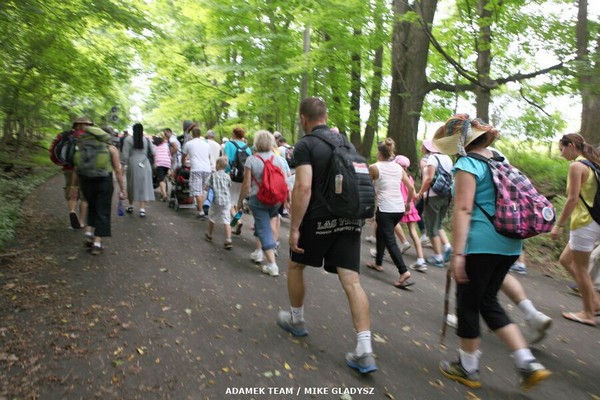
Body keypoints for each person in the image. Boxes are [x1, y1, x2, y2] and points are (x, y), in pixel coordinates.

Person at [434, 114, 550, 390]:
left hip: (480, 245)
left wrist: (458, 255)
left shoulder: (467, 164)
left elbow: (464, 209)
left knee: (468, 304)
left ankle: (467, 367)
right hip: (509, 244)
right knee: (487, 301)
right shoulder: (501, 161)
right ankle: (527, 362)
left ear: (459, 142)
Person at [276, 97, 377, 374]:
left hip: (319, 219)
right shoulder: (345, 142)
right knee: (352, 281)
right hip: (350, 219)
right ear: (326, 116)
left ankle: (296, 320)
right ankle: (365, 349)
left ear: (303, 118)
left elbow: (303, 187)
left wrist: (295, 228)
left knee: (295, 265)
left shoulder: (305, 145)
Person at [551, 133, 600, 327]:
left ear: (571, 145)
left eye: (562, 149)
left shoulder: (576, 166)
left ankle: (588, 313)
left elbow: (572, 199)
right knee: (565, 260)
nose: (561, 153)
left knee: (581, 269)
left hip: (584, 223)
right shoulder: (593, 165)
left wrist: (558, 225)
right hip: (594, 223)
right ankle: (595, 302)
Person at [366, 138, 416, 289]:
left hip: (386, 210)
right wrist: (408, 204)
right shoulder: (399, 168)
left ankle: (403, 271)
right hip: (399, 209)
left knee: (390, 240)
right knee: (381, 233)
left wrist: (367, 209)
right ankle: (378, 263)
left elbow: (368, 189)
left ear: (379, 153)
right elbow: (411, 188)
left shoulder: (374, 167)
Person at [237, 130, 287, 276]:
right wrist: (286, 200)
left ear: (256, 143)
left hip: (258, 199)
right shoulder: (278, 159)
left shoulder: (251, 160)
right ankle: (258, 252)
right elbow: (284, 181)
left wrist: (240, 201)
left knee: (264, 228)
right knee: (262, 223)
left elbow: (246, 185)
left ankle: (272, 265)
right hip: (275, 199)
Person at [69, 126, 126, 255]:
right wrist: (122, 189)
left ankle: (89, 232)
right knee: (103, 210)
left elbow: (76, 168)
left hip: (86, 182)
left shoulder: (83, 147)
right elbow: (117, 171)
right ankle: (97, 243)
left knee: (92, 207)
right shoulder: (111, 149)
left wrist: (73, 187)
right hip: (104, 182)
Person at [416, 139, 453, 267]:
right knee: (438, 224)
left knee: (431, 227)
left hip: (433, 196)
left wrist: (421, 192)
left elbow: (429, 178)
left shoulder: (432, 158)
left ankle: (438, 257)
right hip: (446, 196)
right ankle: (447, 246)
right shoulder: (448, 158)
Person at [395, 155, 427, 272]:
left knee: (390, 224)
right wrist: (419, 195)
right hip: (410, 207)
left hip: (398, 206)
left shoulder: (396, 177)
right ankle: (421, 260)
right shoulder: (409, 178)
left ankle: (402, 243)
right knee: (413, 232)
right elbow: (413, 195)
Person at [121, 123, 155, 217]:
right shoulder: (146, 140)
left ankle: (130, 206)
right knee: (143, 185)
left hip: (133, 164)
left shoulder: (128, 139)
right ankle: (142, 209)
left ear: (133, 130)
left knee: (131, 184)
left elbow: (125, 154)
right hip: (145, 164)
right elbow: (153, 152)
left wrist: (122, 166)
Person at [62, 117, 90, 229]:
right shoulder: (89, 137)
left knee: (72, 191)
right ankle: (81, 221)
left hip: (68, 168)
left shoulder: (68, 135)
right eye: (87, 124)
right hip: (85, 169)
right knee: (84, 197)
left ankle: (72, 212)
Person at [224, 127, 252, 233]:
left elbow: (226, 160)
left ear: (234, 134)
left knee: (229, 202)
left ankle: (238, 221)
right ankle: (234, 225)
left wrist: (226, 173)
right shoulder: (248, 148)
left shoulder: (229, 144)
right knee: (238, 202)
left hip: (232, 176)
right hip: (243, 177)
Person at [181, 127, 213, 220]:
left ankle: (200, 212)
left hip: (196, 169)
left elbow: (183, 157)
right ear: (200, 134)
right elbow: (208, 157)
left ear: (192, 134)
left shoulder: (188, 144)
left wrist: (184, 164)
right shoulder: (206, 144)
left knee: (197, 191)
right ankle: (202, 208)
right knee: (203, 190)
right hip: (207, 169)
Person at [205, 156, 233, 249]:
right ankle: (228, 239)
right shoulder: (227, 176)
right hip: (226, 201)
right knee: (226, 219)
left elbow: (206, 186)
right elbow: (229, 186)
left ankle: (209, 235)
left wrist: (210, 190)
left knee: (212, 217)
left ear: (217, 165)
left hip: (216, 201)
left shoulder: (213, 175)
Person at [153, 133, 172, 202]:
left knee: (161, 180)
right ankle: (162, 193)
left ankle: (164, 194)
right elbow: (169, 155)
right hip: (167, 163)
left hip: (160, 163)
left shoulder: (155, 147)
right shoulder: (166, 145)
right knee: (163, 178)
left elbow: (154, 156)